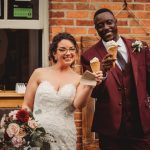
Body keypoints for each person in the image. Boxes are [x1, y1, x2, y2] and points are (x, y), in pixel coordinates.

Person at [81, 8, 150, 150]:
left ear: (116, 22)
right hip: (111, 129)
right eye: (100, 25)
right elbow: (93, 92)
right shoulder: (89, 56)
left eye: (109, 22)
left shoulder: (139, 47)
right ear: (96, 29)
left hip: (141, 125)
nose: (105, 28)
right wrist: (103, 72)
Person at [22, 32, 103, 150]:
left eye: (71, 49)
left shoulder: (79, 79)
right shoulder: (39, 73)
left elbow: (79, 104)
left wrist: (90, 84)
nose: (68, 53)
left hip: (65, 136)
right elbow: (27, 105)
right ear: (54, 53)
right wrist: (25, 125)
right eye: (62, 49)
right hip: (36, 135)